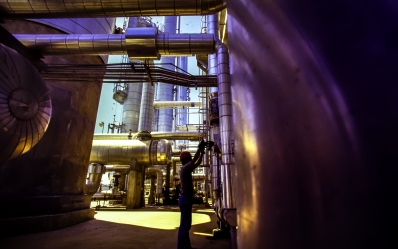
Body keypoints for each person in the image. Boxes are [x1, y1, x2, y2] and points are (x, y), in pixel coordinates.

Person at [177, 140, 206, 249]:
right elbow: (194, 161)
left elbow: (197, 163)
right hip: (185, 199)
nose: (190, 160)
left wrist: (202, 152)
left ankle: (186, 246)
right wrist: (199, 148)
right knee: (184, 226)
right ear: (186, 160)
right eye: (189, 158)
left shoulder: (187, 169)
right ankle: (182, 247)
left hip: (186, 199)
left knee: (186, 225)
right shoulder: (185, 169)